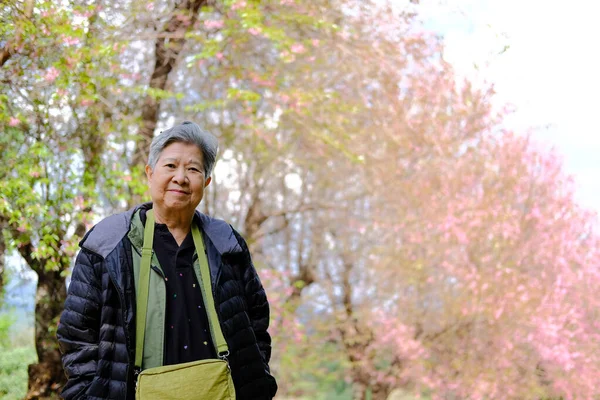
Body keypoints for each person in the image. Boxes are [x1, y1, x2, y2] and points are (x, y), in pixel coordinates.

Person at [57, 121, 278, 400]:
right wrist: (89, 393)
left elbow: (257, 319)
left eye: (193, 169)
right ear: (150, 173)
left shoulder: (226, 243)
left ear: (206, 182)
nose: (181, 178)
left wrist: (255, 381)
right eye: (170, 166)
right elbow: (76, 333)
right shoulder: (107, 244)